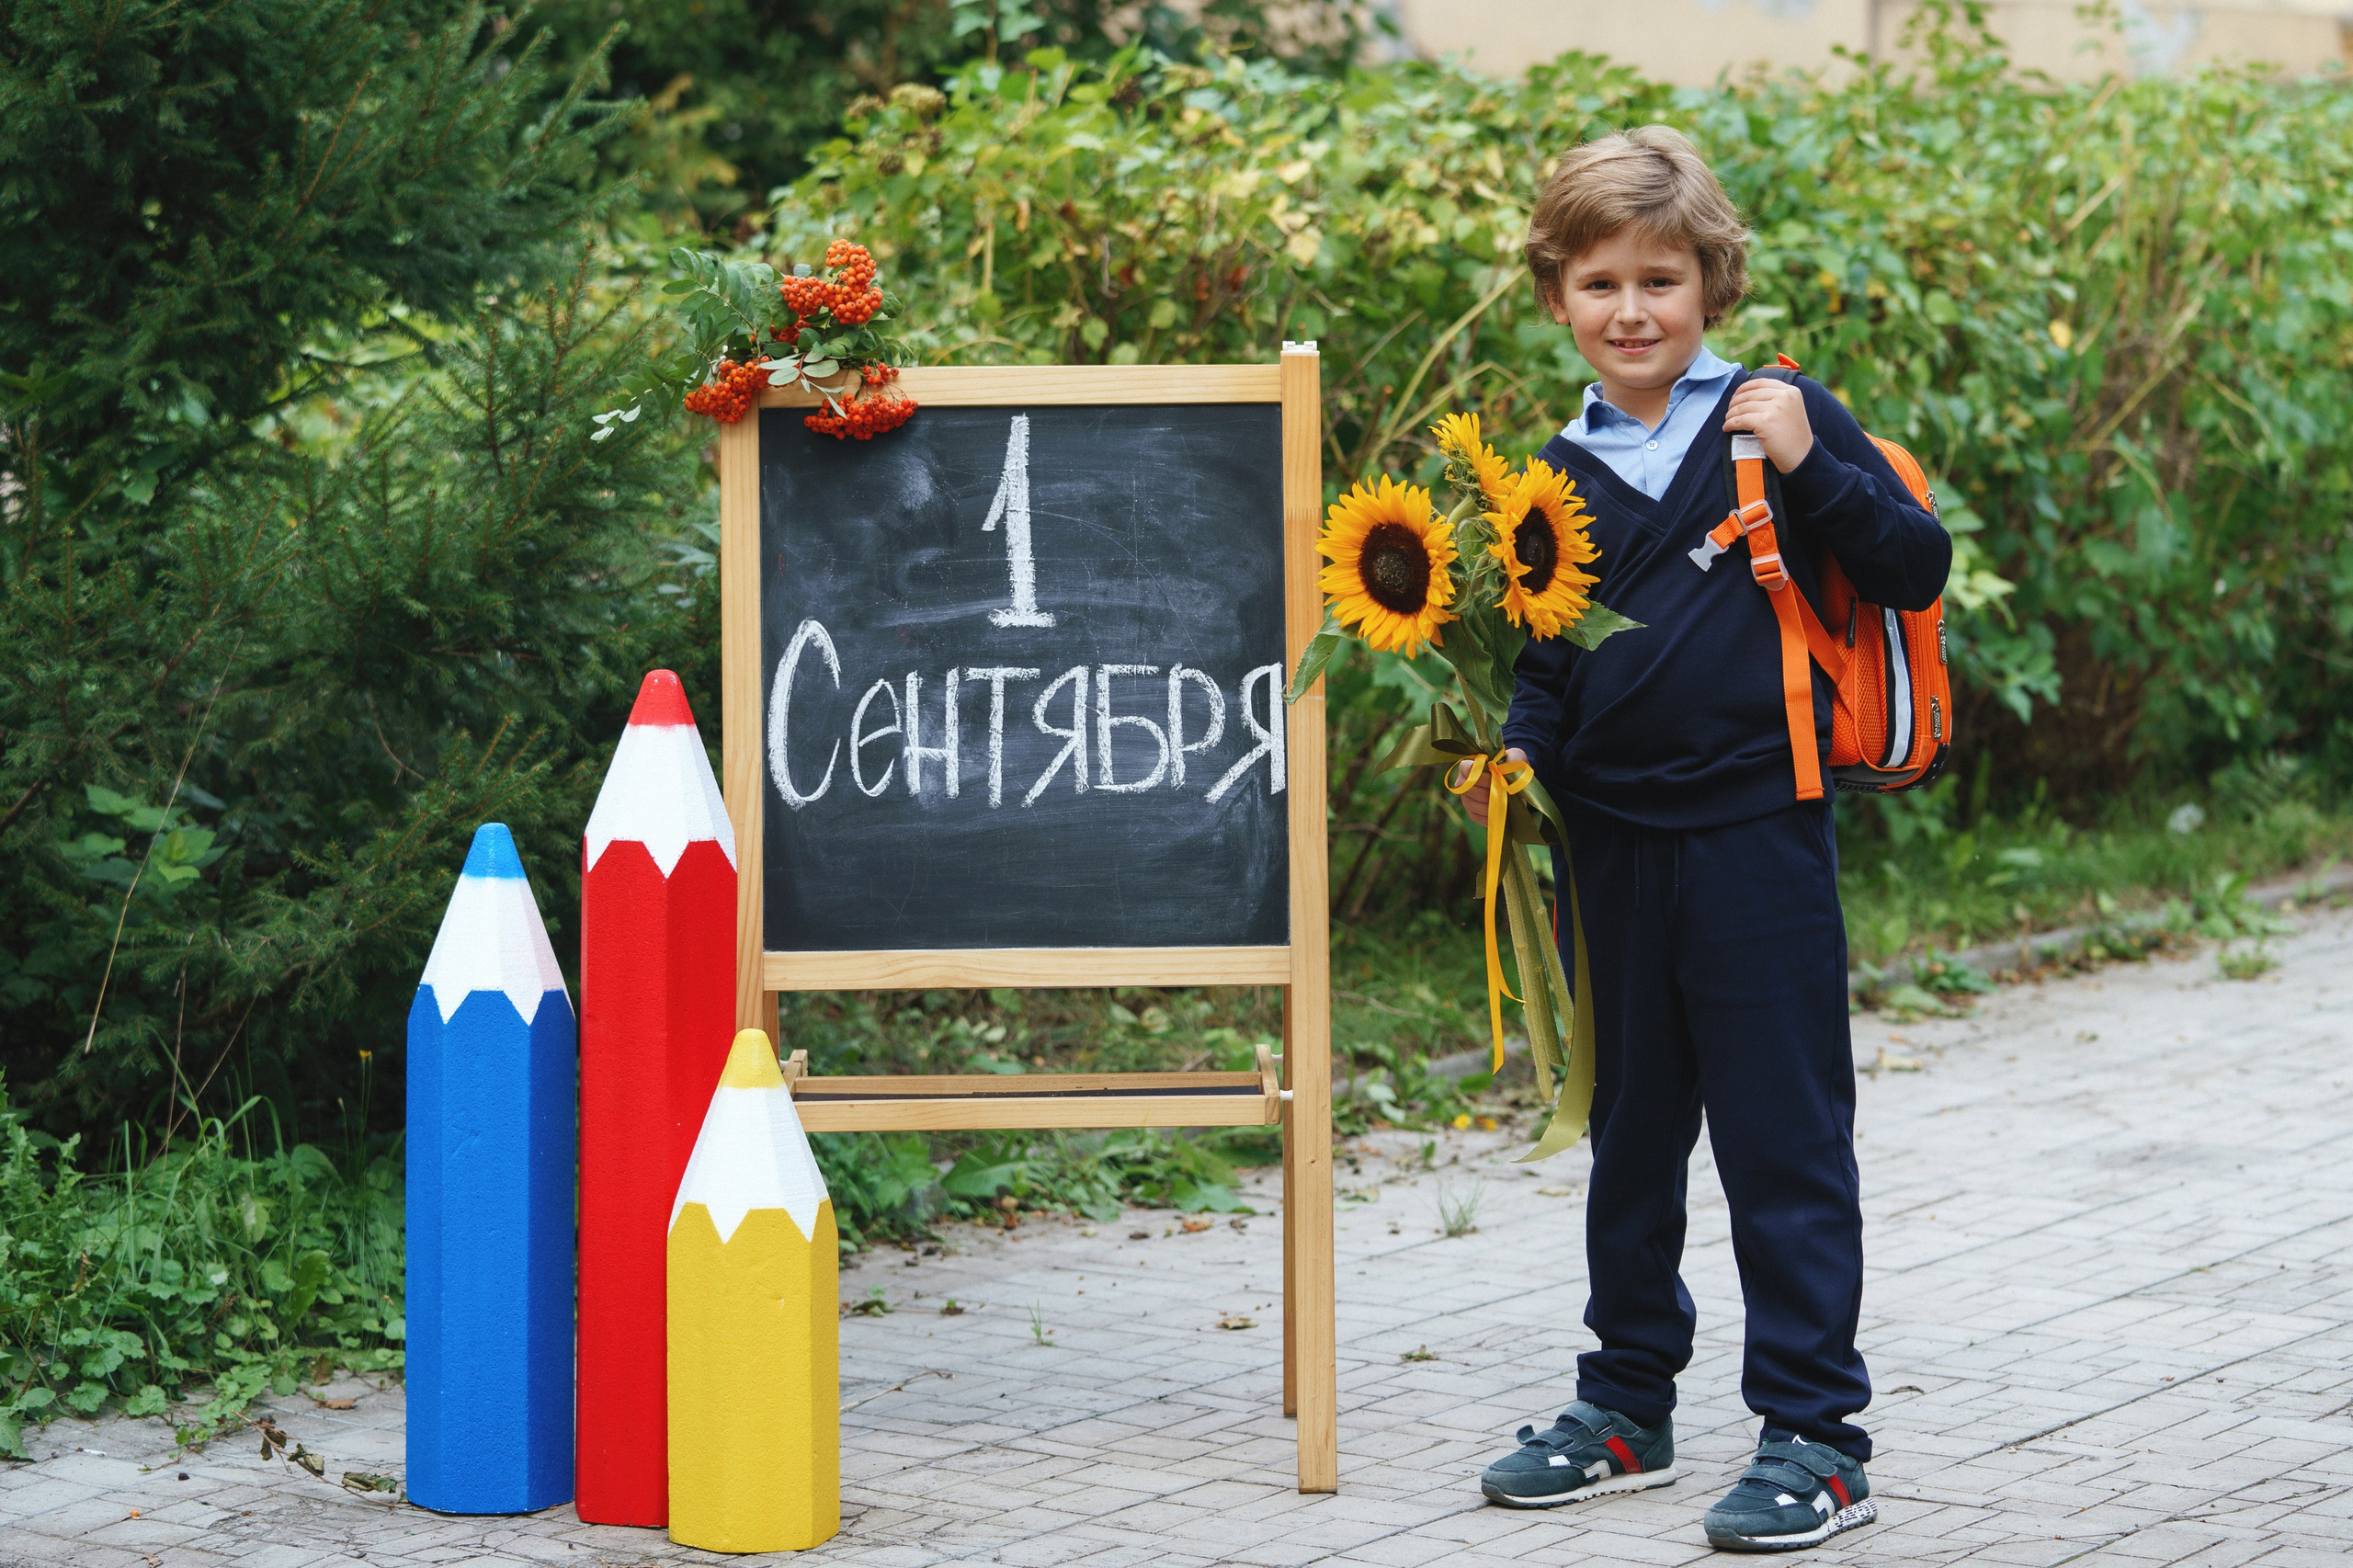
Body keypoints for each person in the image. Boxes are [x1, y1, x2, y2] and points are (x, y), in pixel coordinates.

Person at [1457, 126, 1950, 1551]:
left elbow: (1914, 567)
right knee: (1631, 1135)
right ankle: (1627, 1405)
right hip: (1608, 848)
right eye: (1600, 280)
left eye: (1659, 279)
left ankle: (1816, 1431)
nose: (1630, 310)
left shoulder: (1776, 415)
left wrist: (1821, 468)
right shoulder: (1553, 471)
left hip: (1757, 833)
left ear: (1709, 284)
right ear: (1558, 293)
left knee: (1784, 1137)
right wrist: (1515, 757)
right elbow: (1549, 657)